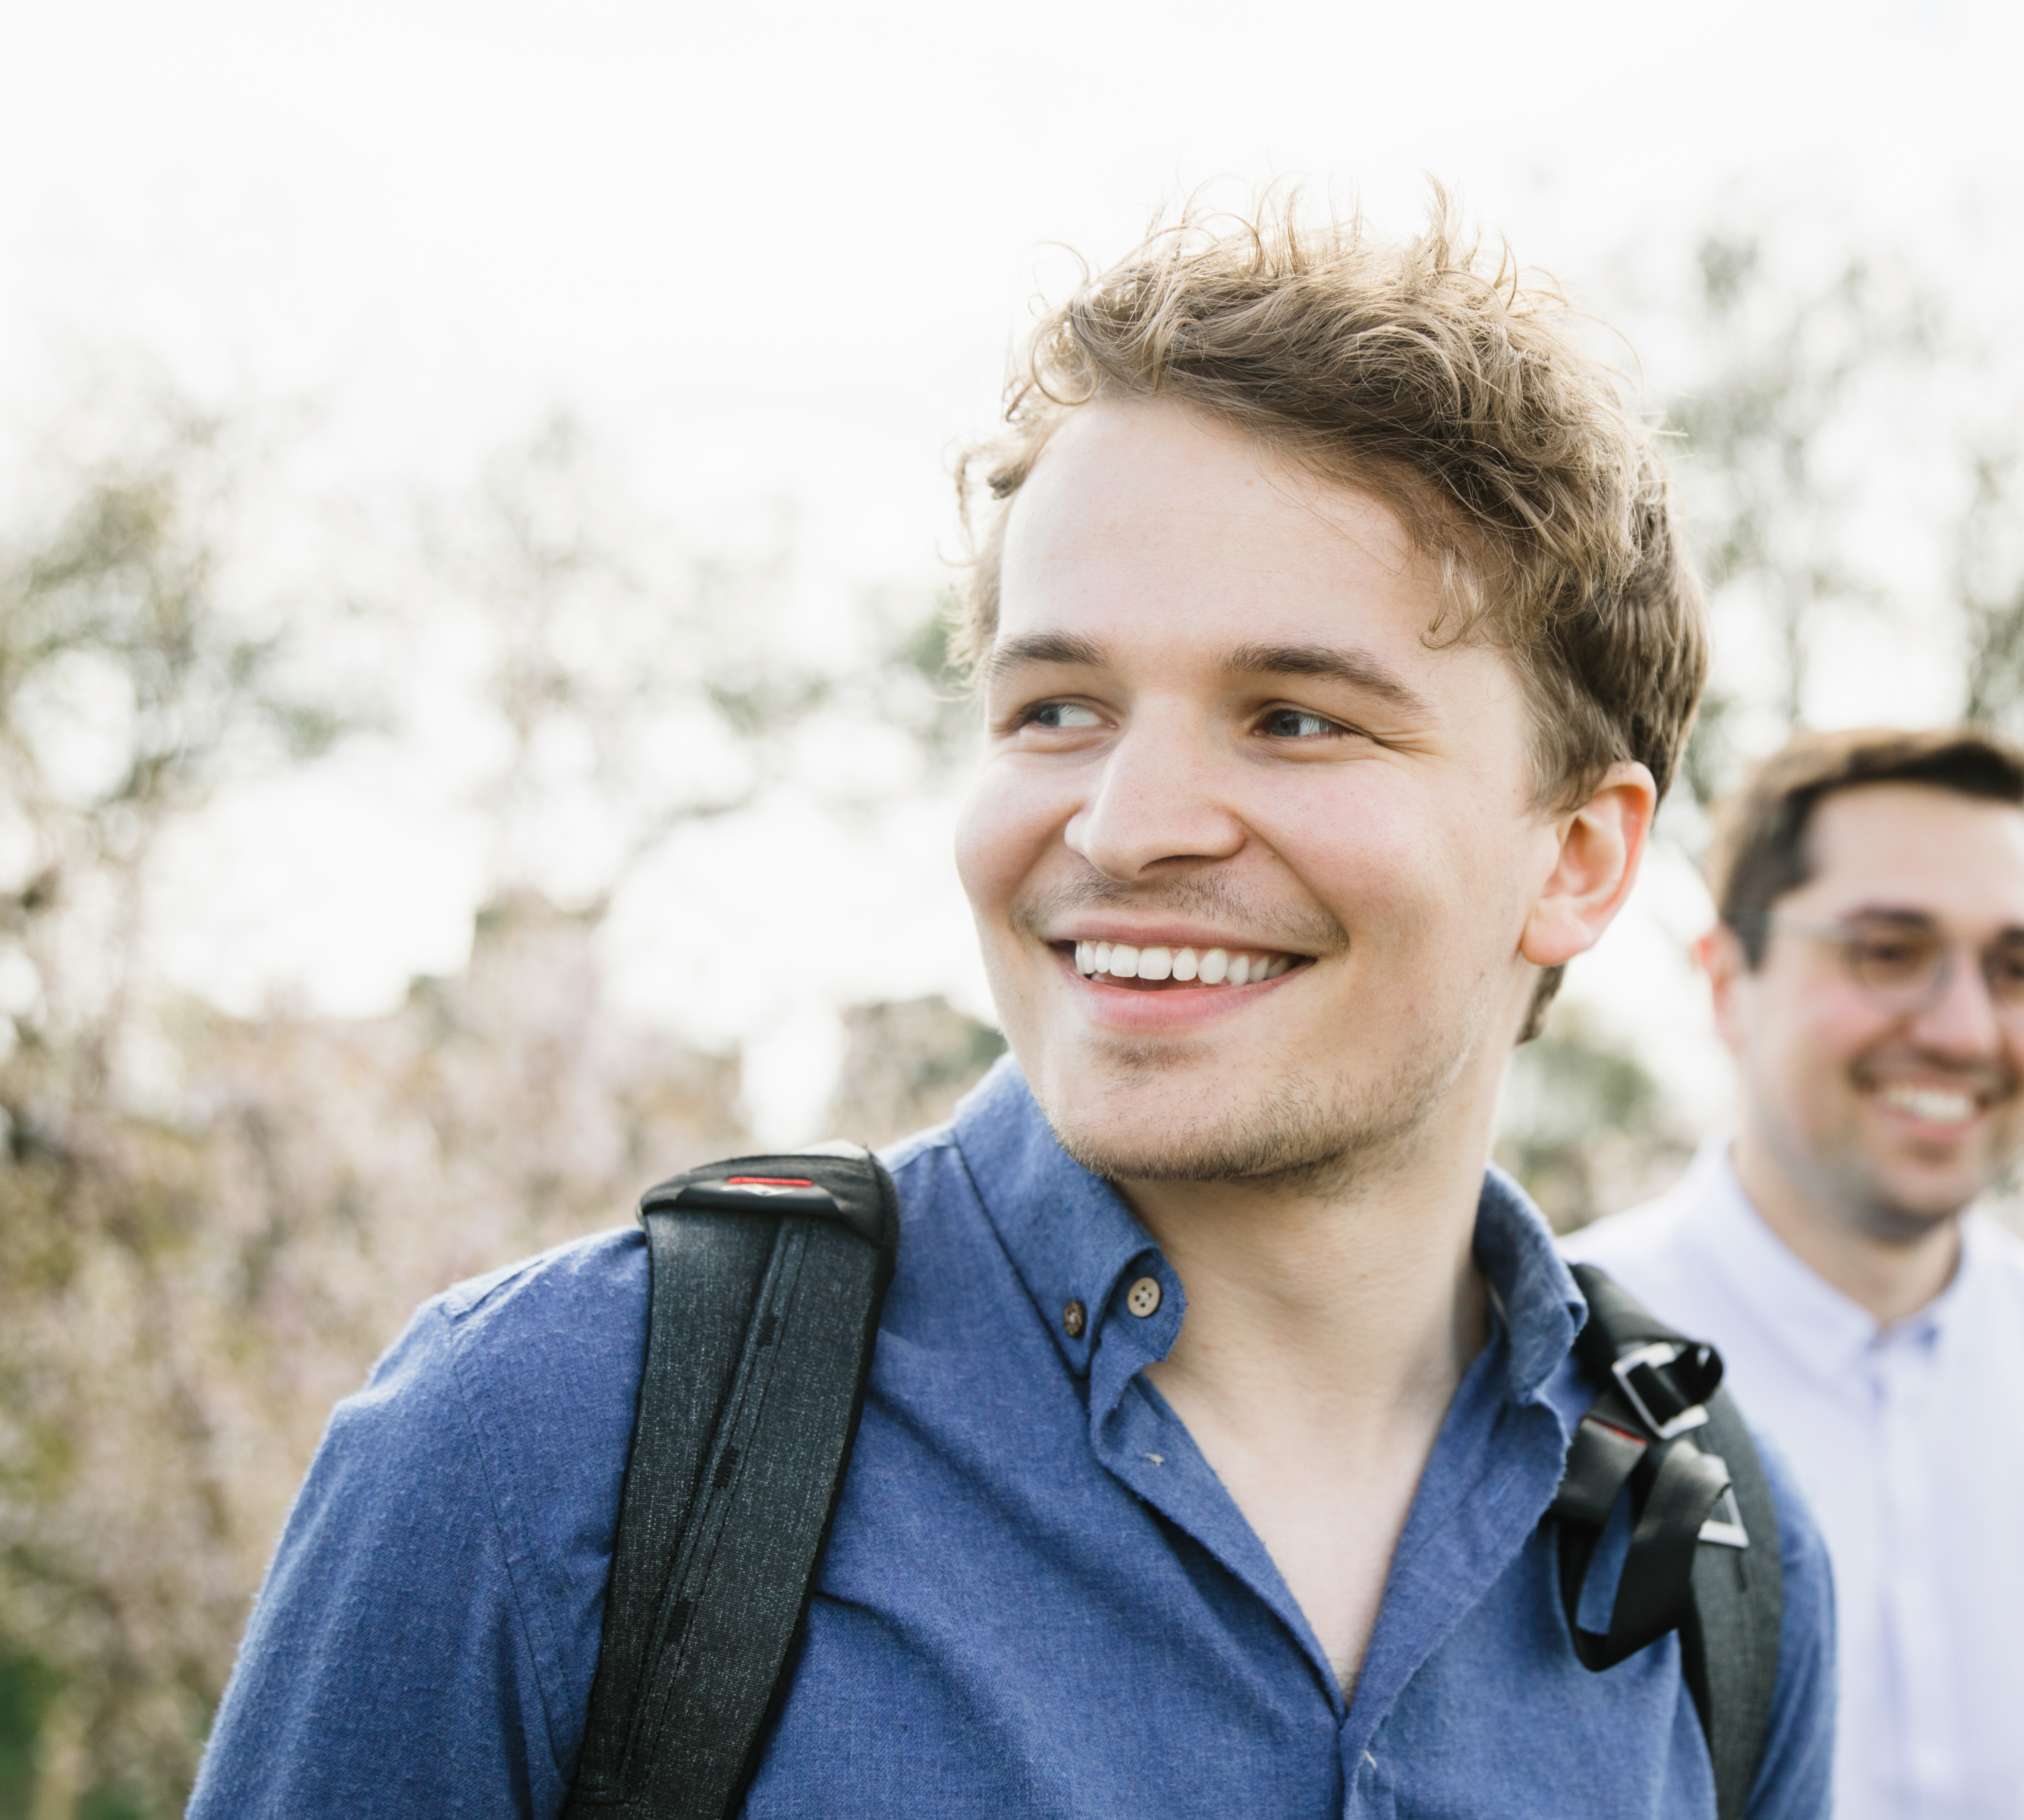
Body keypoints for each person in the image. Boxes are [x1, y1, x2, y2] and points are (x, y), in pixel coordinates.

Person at [188, 200, 1836, 1817]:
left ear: (1581, 857)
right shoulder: (549, 1449)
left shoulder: (1722, 1572)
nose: (1126, 822)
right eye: (1058, 707)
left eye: (1297, 719)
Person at [1568, 728, 2024, 1820]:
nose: (1964, 1028)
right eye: (1888, 950)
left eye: (2017, 969)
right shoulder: (1536, 1364)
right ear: (1730, 981)